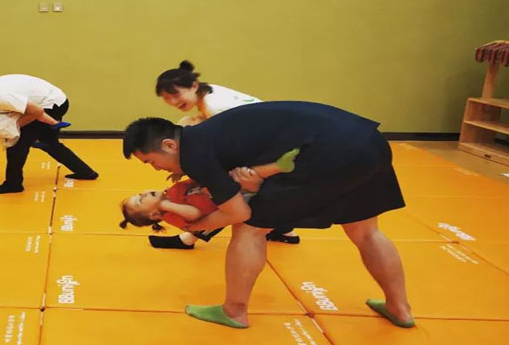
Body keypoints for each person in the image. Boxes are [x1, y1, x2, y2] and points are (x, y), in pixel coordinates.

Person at [122, 103, 415, 329]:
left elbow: (238, 212)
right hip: (370, 142)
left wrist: (197, 225)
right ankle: (399, 307)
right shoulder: (206, 134)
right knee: (365, 230)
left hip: (327, 152)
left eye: (151, 162)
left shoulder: (196, 153)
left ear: (169, 145)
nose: (156, 169)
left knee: (249, 228)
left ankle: (234, 311)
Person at [155, 60, 300, 245]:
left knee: (225, 189)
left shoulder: (215, 107)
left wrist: (187, 168)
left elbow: (229, 148)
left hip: (278, 147)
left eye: (176, 94)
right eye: (167, 98)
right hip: (274, 139)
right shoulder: (209, 93)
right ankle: (285, 229)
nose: (173, 102)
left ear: (194, 85)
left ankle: (189, 238)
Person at [0, 75, 94, 193]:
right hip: (41, 102)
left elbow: (37, 111)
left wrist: (10, 127)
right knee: (48, 142)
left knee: (17, 143)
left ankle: (13, 184)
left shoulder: (0, 97)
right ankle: (86, 172)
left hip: (50, 104)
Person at [119, 151, 298, 249]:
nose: (142, 195)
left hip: (221, 191)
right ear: (154, 214)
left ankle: (284, 229)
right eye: (140, 201)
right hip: (228, 199)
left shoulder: (169, 195)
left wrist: (182, 173)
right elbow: (194, 213)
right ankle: (278, 167)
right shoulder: (171, 212)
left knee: (242, 175)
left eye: (139, 194)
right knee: (248, 178)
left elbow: (193, 186)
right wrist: (166, 204)